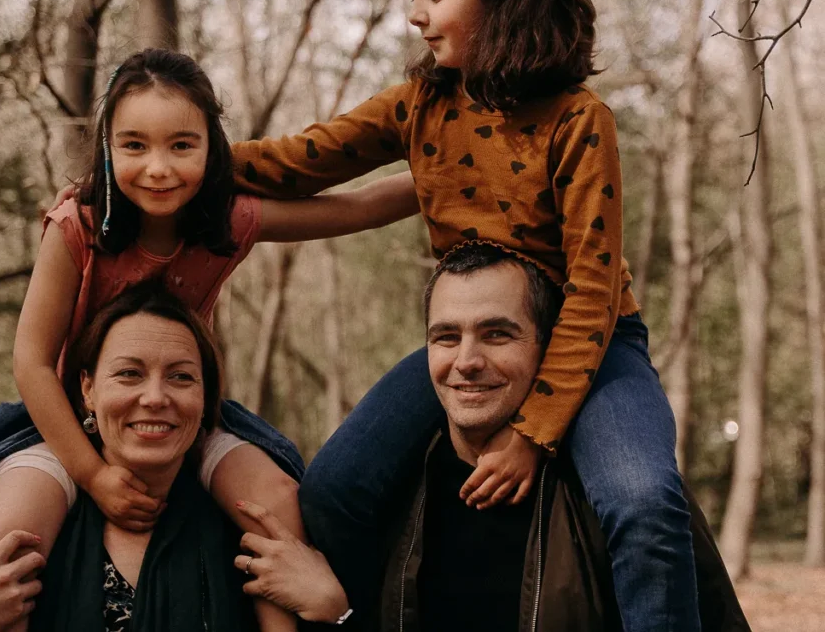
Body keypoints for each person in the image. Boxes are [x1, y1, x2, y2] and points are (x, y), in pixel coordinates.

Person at [227, 0, 700, 630]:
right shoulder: (421, 104)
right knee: (334, 487)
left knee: (644, 498)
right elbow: (298, 161)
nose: (415, 12)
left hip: (588, 342)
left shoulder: (577, 120)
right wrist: (180, 158)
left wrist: (532, 435)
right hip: (475, 336)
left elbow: (593, 289)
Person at [0, 49, 419, 632]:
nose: (158, 168)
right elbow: (32, 362)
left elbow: (356, 208)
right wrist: (92, 475)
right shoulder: (78, 228)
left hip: (186, 414)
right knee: (9, 534)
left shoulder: (225, 222)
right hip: (70, 422)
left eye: (182, 146)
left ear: (213, 149)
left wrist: (454, 169)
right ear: (108, 148)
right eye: (134, 146)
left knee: (272, 502)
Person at [232, 244, 750, 632]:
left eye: (498, 334)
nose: (467, 362)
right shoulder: (383, 491)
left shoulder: (618, 487)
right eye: (446, 337)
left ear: (550, 350)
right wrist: (337, 613)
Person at [0, 281, 339, 631]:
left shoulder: (244, 534)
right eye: (129, 373)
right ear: (88, 390)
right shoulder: (35, 526)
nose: (155, 398)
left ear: (204, 398)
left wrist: (337, 613)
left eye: (181, 377)